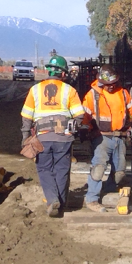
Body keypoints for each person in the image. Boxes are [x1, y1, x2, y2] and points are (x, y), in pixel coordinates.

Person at [21, 54, 84, 218]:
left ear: (48, 71)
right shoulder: (69, 90)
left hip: (42, 137)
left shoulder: (35, 90)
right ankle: (60, 205)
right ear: (63, 74)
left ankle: (52, 200)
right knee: (62, 169)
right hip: (64, 137)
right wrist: (72, 130)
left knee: (44, 169)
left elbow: (27, 116)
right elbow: (79, 115)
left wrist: (25, 136)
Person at [82, 66, 132, 212]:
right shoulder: (93, 95)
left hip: (120, 137)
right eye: (108, 84)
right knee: (99, 168)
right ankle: (92, 198)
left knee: (119, 171)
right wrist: (84, 130)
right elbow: (85, 116)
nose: (111, 86)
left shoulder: (124, 94)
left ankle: (108, 192)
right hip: (101, 138)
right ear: (101, 82)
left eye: (114, 83)